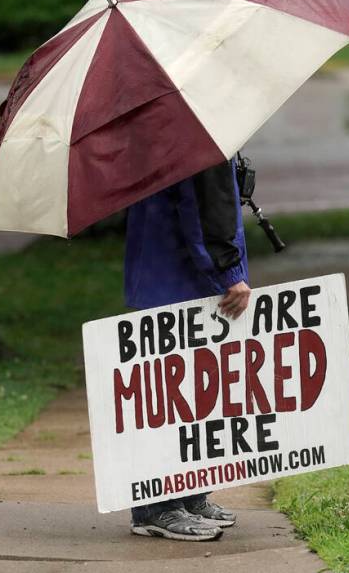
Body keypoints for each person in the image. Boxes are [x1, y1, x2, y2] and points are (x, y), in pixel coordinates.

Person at [123, 157, 252, 541]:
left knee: (187, 396)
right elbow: (204, 202)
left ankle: (189, 495)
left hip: (161, 272)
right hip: (184, 280)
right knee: (176, 397)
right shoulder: (199, 124)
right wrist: (230, 273)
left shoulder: (167, 121)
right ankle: (158, 507)